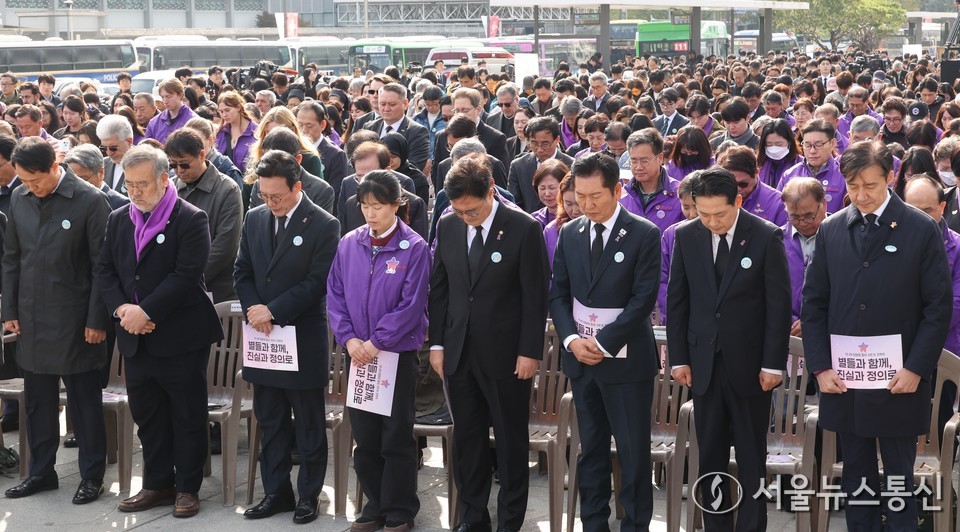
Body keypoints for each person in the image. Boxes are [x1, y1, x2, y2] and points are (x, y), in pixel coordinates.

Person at [802, 141, 952, 530]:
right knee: (857, 476)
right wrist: (820, 367)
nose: (862, 195)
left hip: (899, 379)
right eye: (853, 186)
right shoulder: (833, 229)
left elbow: (937, 308)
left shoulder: (920, 229)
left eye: (870, 185)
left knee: (899, 476)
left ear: (890, 177)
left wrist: (916, 368)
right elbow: (814, 304)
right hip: (846, 380)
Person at [94, 144, 222, 517]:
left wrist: (146, 310)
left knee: (186, 413)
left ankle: (187, 488)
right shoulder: (119, 218)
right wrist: (123, 310)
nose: (135, 192)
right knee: (148, 415)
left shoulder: (191, 218)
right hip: (134, 334)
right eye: (130, 185)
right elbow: (104, 270)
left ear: (165, 180)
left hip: (180, 334)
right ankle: (157, 483)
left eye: (143, 185)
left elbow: (186, 275)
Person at [666, 167, 792, 531]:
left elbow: (778, 306)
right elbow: (679, 301)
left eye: (719, 214)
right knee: (710, 455)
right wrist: (679, 358)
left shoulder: (765, 236)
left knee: (752, 456)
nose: (711, 222)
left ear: (737, 201)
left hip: (751, 367)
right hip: (703, 364)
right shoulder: (687, 236)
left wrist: (772, 363)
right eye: (702, 213)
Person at [428, 156, 549, 531]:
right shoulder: (448, 224)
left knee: (511, 442)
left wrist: (529, 350)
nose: (467, 217)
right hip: (458, 351)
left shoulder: (522, 227)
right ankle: (472, 517)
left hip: (507, 354)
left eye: (473, 209)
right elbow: (441, 288)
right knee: (467, 439)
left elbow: (535, 296)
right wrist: (437, 344)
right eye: (460, 210)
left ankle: (510, 520)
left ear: (492, 191)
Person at [549, 152, 661, 531]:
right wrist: (571, 341)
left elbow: (643, 299)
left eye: (596, 195)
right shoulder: (570, 232)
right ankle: (593, 520)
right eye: (580, 196)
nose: (587, 204)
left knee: (632, 452)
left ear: (617, 189)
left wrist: (603, 343)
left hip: (626, 363)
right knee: (590, 448)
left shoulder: (644, 233)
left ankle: (634, 523)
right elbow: (559, 295)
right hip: (582, 360)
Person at [1, 138, 110, 504]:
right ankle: (41, 471)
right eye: (23, 181)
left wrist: (97, 318)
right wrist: (10, 310)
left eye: (34, 180)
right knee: (37, 401)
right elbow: (12, 258)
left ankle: (92, 476)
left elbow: (101, 267)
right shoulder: (19, 198)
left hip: (77, 319)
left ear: (53, 167)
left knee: (84, 403)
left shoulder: (89, 200)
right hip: (32, 316)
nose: (29, 188)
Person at [234, 149, 340, 524]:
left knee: (308, 424)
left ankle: (309, 495)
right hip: (263, 339)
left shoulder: (323, 223)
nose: (270, 202)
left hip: (300, 336)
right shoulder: (255, 218)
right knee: (270, 420)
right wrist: (254, 309)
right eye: (263, 194)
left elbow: (317, 282)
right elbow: (242, 271)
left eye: (276, 196)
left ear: (297, 186)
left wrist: (273, 310)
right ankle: (276, 491)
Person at [326, 170, 431, 532]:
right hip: (357, 354)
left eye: (379, 206)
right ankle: (374, 504)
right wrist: (351, 339)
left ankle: (401, 508)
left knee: (395, 435)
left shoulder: (413, 247)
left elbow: (412, 305)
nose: (371, 214)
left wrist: (376, 342)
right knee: (365, 435)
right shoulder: (349, 242)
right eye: (365, 206)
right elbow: (335, 294)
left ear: (397, 205)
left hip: (395, 355)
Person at [902, 175, 960, 443]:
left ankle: (939, 482)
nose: (919, 217)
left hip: (943, 351)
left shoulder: (957, 247)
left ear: (942, 208)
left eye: (926, 210)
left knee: (939, 427)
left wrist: (919, 332)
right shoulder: (892, 242)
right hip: (898, 351)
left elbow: (954, 304)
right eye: (912, 209)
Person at [165, 129, 243, 303]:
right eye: (173, 165)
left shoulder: (228, 189)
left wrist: (184, 279)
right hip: (176, 285)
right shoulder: (172, 187)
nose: (179, 171)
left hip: (214, 288)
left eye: (184, 164)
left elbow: (224, 247)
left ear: (201, 155)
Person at [780, 178, 827, 335]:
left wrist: (812, 320)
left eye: (808, 215)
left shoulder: (842, 236)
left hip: (829, 329)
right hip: (789, 330)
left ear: (823, 204)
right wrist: (790, 319)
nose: (802, 222)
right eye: (794, 217)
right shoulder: (776, 240)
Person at [620, 128, 684, 233]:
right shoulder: (622, 196)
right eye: (633, 161)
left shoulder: (679, 194)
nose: (638, 167)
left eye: (644, 161)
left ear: (660, 158)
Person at [507, 116, 574, 213]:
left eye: (545, 144)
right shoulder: (518, 166)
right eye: (534, 143)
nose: (539, 149)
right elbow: (513, 203)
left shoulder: (571, 165)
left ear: (557, 140)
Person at [778, 119, 846, 214]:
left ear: (832, 143)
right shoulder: (789, 175)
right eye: (807, 145)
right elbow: (780, 211)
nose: (812, 151)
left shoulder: (844, 175)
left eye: (818, 145)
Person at [362, 83, 430, 172]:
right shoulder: (369, 127)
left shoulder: (417, 132)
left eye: (392, 104)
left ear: (405, 104)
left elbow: (414, 168)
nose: (386, 108)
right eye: (382, 104)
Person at [719, 145, 787, 226]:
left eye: (743, 184)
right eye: (731, 183)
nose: (737, 189)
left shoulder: (778, 203)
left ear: (757, 173)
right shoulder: (717, 198)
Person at [296, 101, 350, 202]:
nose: (303, 130)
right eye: (300, 125)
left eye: (309, 126)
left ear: (322, 125)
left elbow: (335, 193)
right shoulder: (294, 150)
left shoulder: (336, 155)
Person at [63, 144, 130, 211]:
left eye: (83, 180)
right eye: (71, 179)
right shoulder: (64, 200)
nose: (76, 185)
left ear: (101, 173)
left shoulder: (121, 204)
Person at [145, 79, 199, 144]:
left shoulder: (193, 121)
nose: (165, 101)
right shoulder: (154, 122)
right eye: (162, 97)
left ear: (180, 95)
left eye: (168, 96)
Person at [215, 92, 257, 174]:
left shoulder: (256, 132)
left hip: (247, 182)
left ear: (238, 107)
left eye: (227, 110)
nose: (224, 115)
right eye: (221, 111)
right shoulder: (220, 132)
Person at [97, 114, 135, 194]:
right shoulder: (102, 165)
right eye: (104, 148)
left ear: (129, 142)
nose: (109, 153)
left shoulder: (145, 165)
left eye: (113, 148)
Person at [530, 159, 567, 229]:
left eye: (552, 188)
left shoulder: (574, 216)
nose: (547, 194)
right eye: (542, 188)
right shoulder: (533, 220)